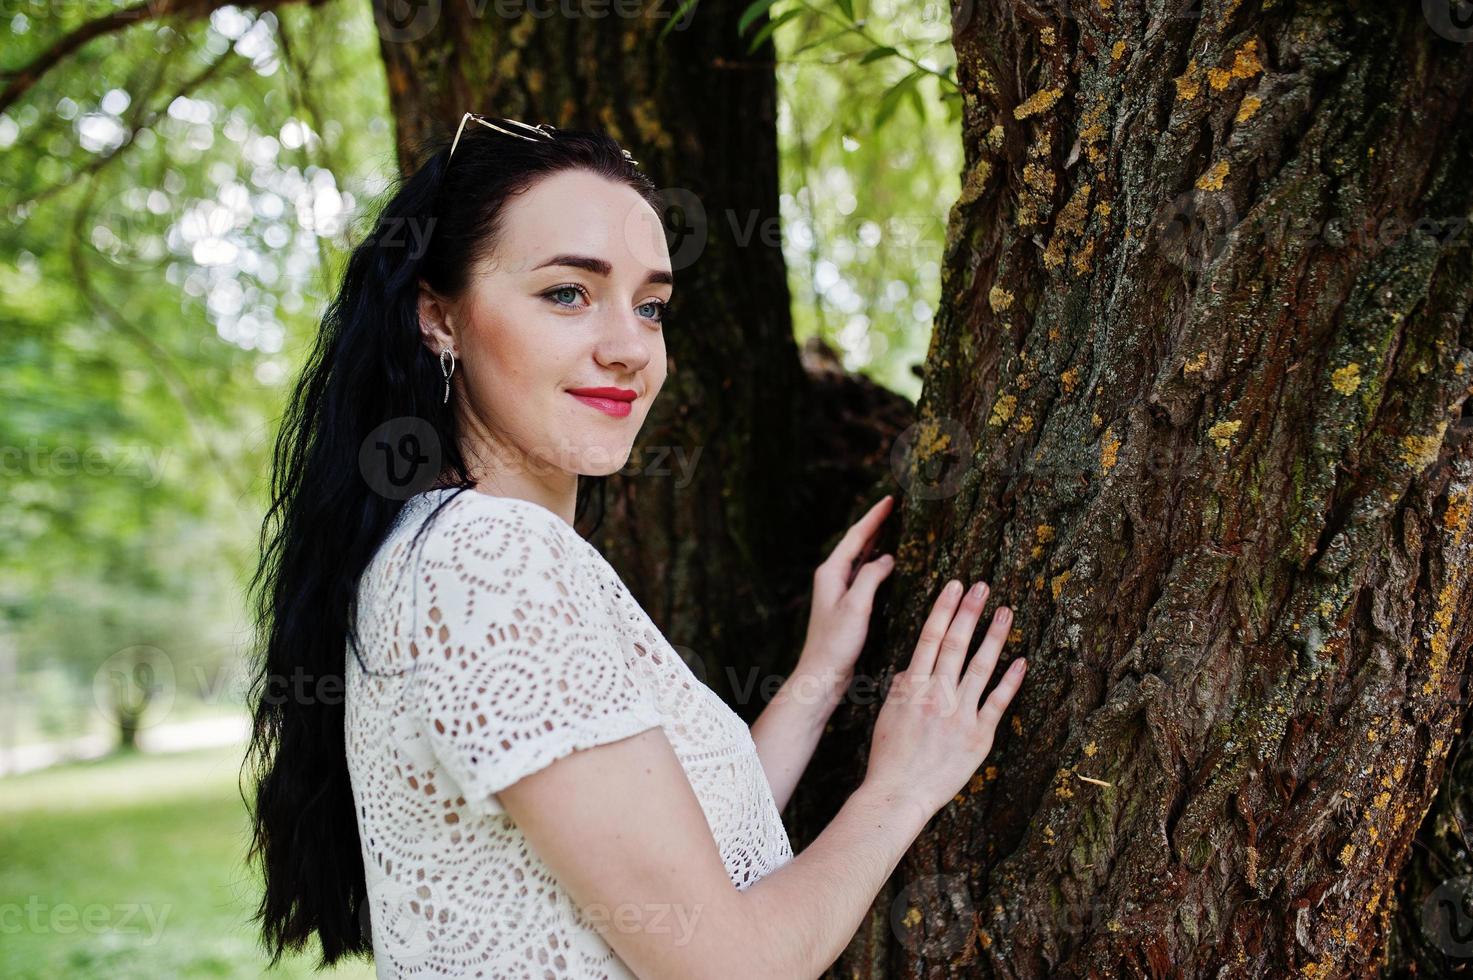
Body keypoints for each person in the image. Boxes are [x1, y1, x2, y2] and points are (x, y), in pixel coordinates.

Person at [243, 113, 1028, 979]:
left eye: (650, 306)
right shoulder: (491, 560)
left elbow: (663, 868)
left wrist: (815, 679)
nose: (629, 350)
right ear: (439, 318)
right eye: (566, 293)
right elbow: (731, 966)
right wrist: (903, 784)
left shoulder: (446, 545)